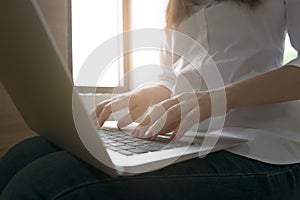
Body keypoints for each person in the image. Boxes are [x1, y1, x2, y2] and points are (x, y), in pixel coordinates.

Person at [1, 0, 300, 199]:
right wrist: (151, 93)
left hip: (262, 147)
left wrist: (220, 98)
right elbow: (174, 74)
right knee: (24, 154)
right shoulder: (178, 5)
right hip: (188, 140)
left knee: (45, 184)